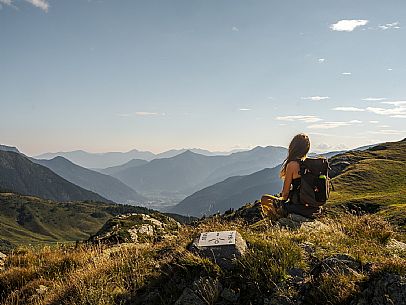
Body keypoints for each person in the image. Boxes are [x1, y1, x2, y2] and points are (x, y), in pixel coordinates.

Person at [261, 133, 321, 219]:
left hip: (298, 208)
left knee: (264, 199)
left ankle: (275, 220)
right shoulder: (312, 164)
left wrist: (280, 202)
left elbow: (285, 194)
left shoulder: (292, 165)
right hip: (315, 208)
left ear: (293, 147)